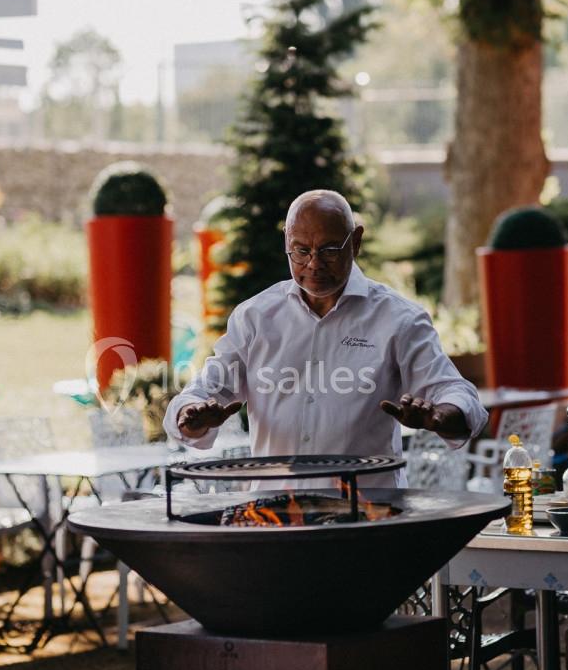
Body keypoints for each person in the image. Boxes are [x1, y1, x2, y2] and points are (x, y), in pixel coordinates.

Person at [163, 189, 488, 487]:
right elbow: (204, 391)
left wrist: (439, 417)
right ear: (287, 242)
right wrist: (192, 415)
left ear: (355, 241)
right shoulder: (256, 317)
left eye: (330, 250)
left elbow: (458, 395)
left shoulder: (399, 319)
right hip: (273, 517)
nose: (314, 264)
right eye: (301, 251)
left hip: (368, 517)